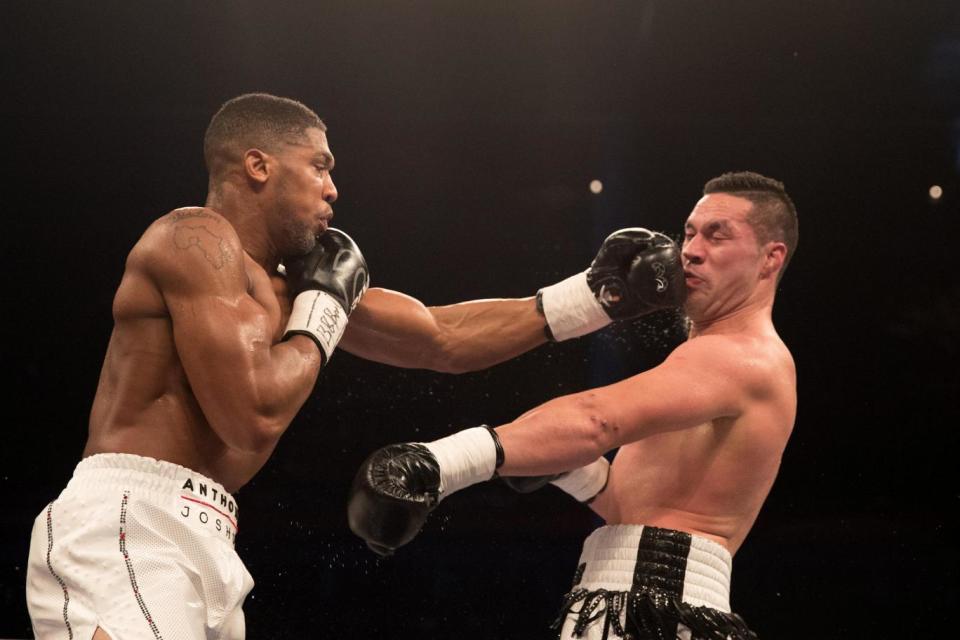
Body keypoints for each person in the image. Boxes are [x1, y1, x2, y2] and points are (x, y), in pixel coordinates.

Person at [25, 92, 685, 640]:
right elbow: (249, 416)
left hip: (211, 538)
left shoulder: (296, 285)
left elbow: (440, 338)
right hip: (129, 520)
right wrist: (321, 308)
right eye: (318, 166)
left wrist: (594, 299)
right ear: (258, 164)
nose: (333, 188)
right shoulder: (191, 239)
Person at [348, 171, 799, 639]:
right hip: (635, 599)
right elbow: (630, 502)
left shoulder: (744, 356)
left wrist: (440, 462)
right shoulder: (708, 360)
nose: (691, 250)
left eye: (717, 235)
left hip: (655, 609)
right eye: (689, 232)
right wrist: (571, 472)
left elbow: (595, 420)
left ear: (771, 258)